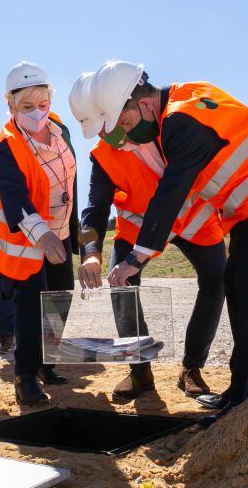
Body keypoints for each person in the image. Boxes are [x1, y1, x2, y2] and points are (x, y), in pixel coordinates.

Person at [74, 61, 248, 415]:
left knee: (245, 285)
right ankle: (245, 389)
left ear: (142, 105)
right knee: (245, 284)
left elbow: (171, 192)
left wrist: (136, 258)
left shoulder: (177, 121)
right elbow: (95, 209)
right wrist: (95, 252)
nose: (120, 134)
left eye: (123, 124)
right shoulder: (178, 104)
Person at [69, 71, 227, 403]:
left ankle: (191, 369)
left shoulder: (160, 126)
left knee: (216, 279)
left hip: (193, 218)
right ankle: (140, 372)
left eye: (104, 127)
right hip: (138, 228)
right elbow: (94, 210)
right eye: (98, 132)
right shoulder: (103, 156)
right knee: (121, 285)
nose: (104, 136)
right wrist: (92, 253)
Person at [0, 61, 76, 406]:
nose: (37, 113)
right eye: (27, 106)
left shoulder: (62, 131)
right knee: (33, 306)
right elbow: (14, 199)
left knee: (60, 297)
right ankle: (25, 376)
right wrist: (43, 235)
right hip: (27, 239)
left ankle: (48, 365)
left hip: (60, 231)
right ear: (11, 106)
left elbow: (69, 179)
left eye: (43, 104)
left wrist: (66, 233)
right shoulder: (7, 147)